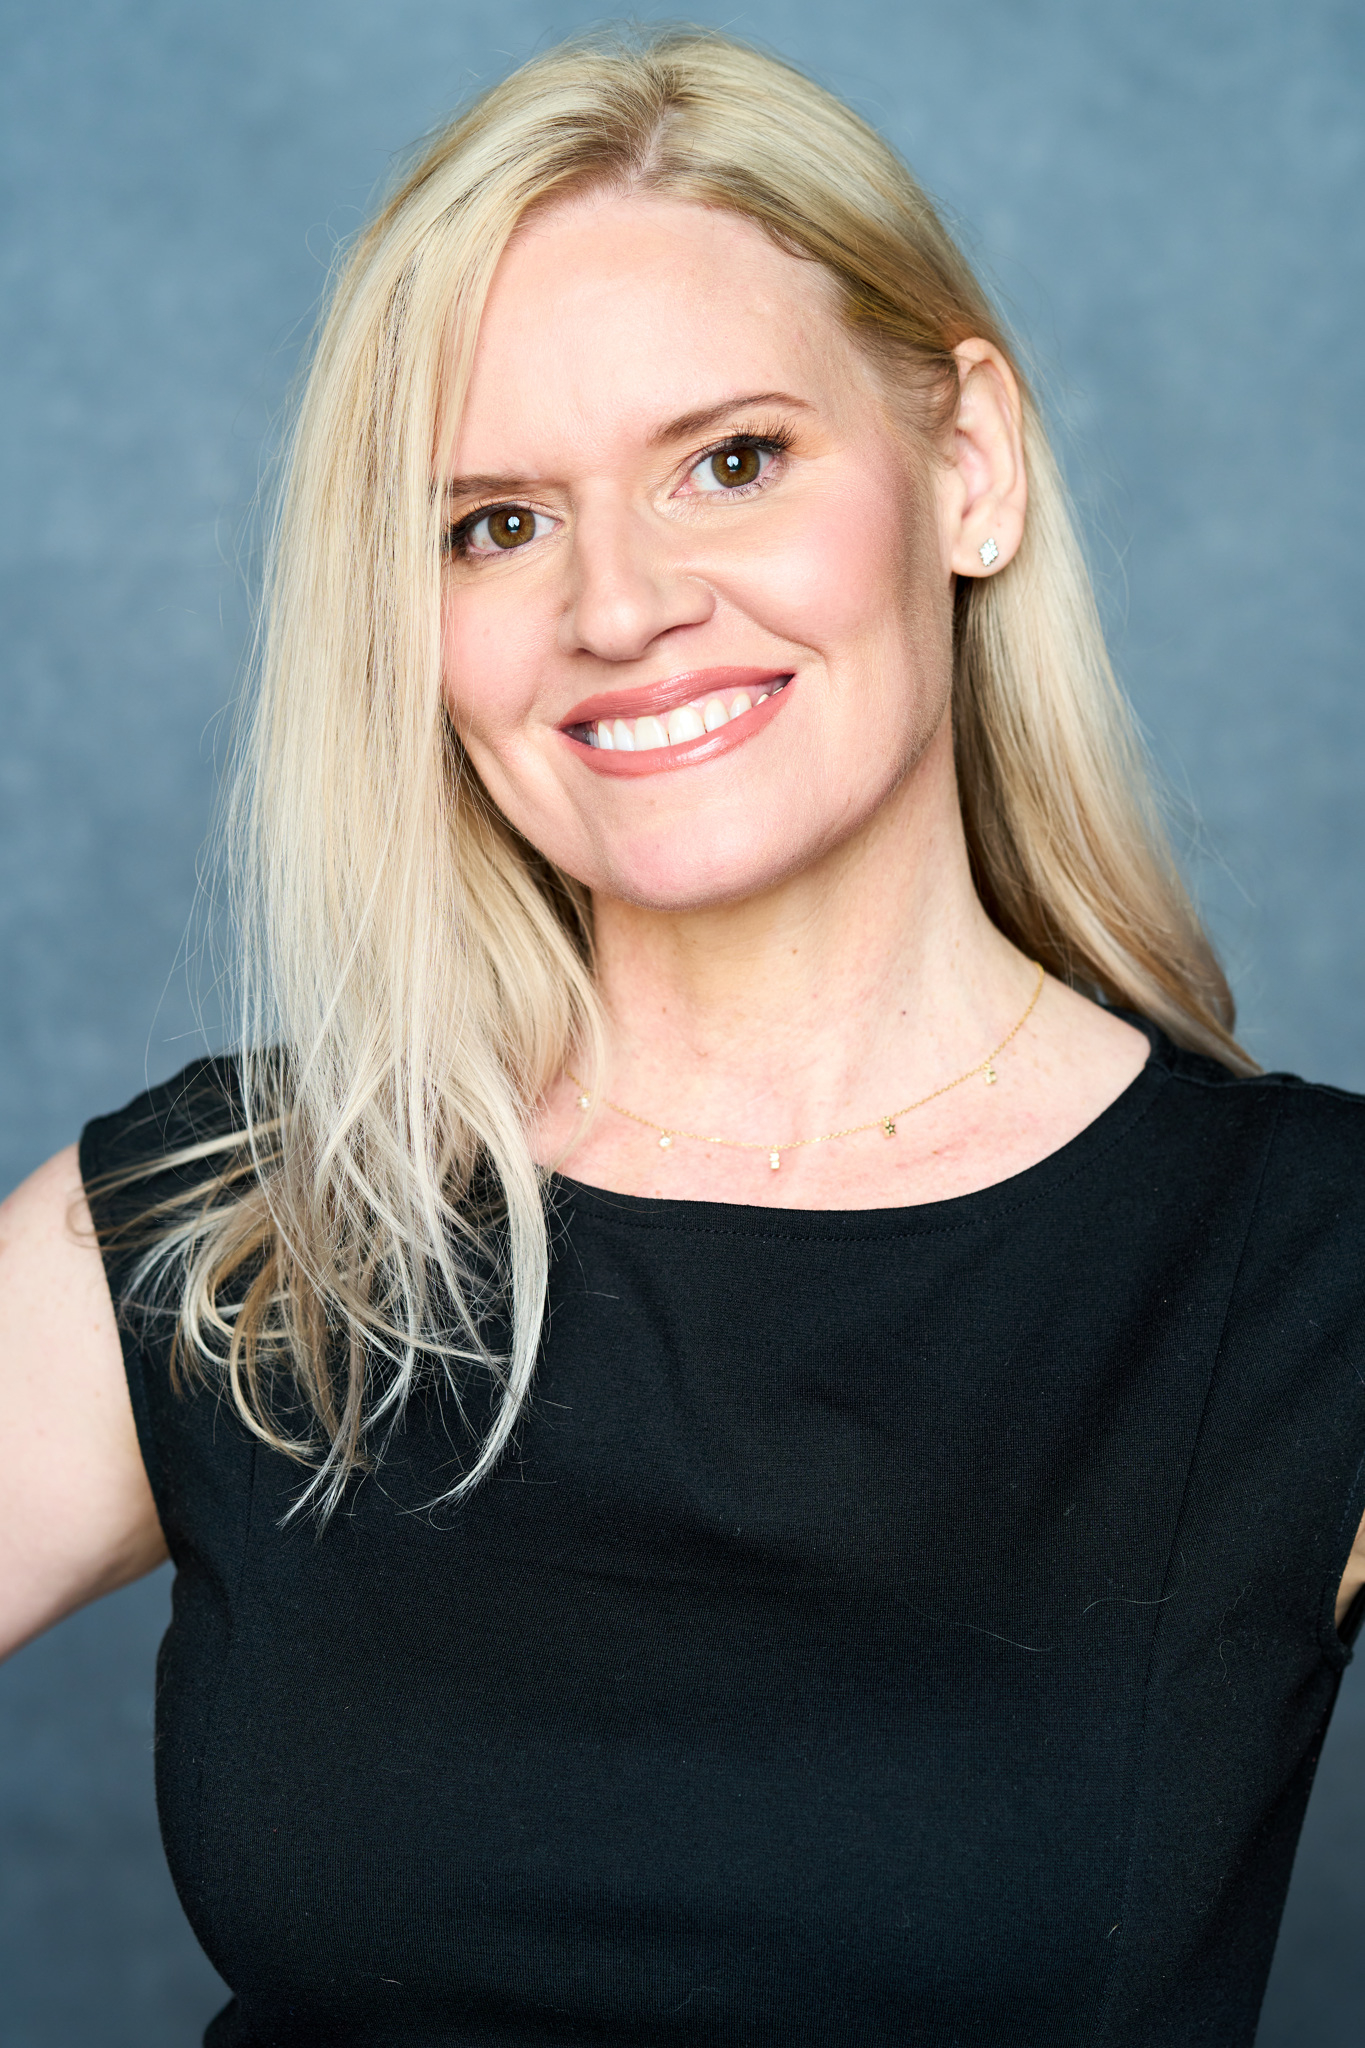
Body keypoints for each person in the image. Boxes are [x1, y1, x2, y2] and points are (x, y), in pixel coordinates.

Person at [1, 26, 1362, 2045]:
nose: (616, 607)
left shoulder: (1306, 1266)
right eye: (491, 523)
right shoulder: (247, 1223)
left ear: (962, 463)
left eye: (730, 460)